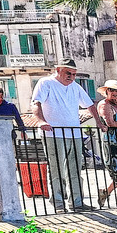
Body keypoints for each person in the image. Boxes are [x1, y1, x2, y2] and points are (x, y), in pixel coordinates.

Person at [31, 62, 93, 212]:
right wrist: (41, 121)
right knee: (56, 168)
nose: (71, 77)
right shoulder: (46, 83)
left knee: (75, 169)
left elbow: (90, 105)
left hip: (74, 133)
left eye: (73, 74)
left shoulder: (75, 87)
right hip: (54, 133)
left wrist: (100, 123)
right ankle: (58, 204)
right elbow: (36, 102)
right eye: (68, 73)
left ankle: (77, 203)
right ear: (58, 70)